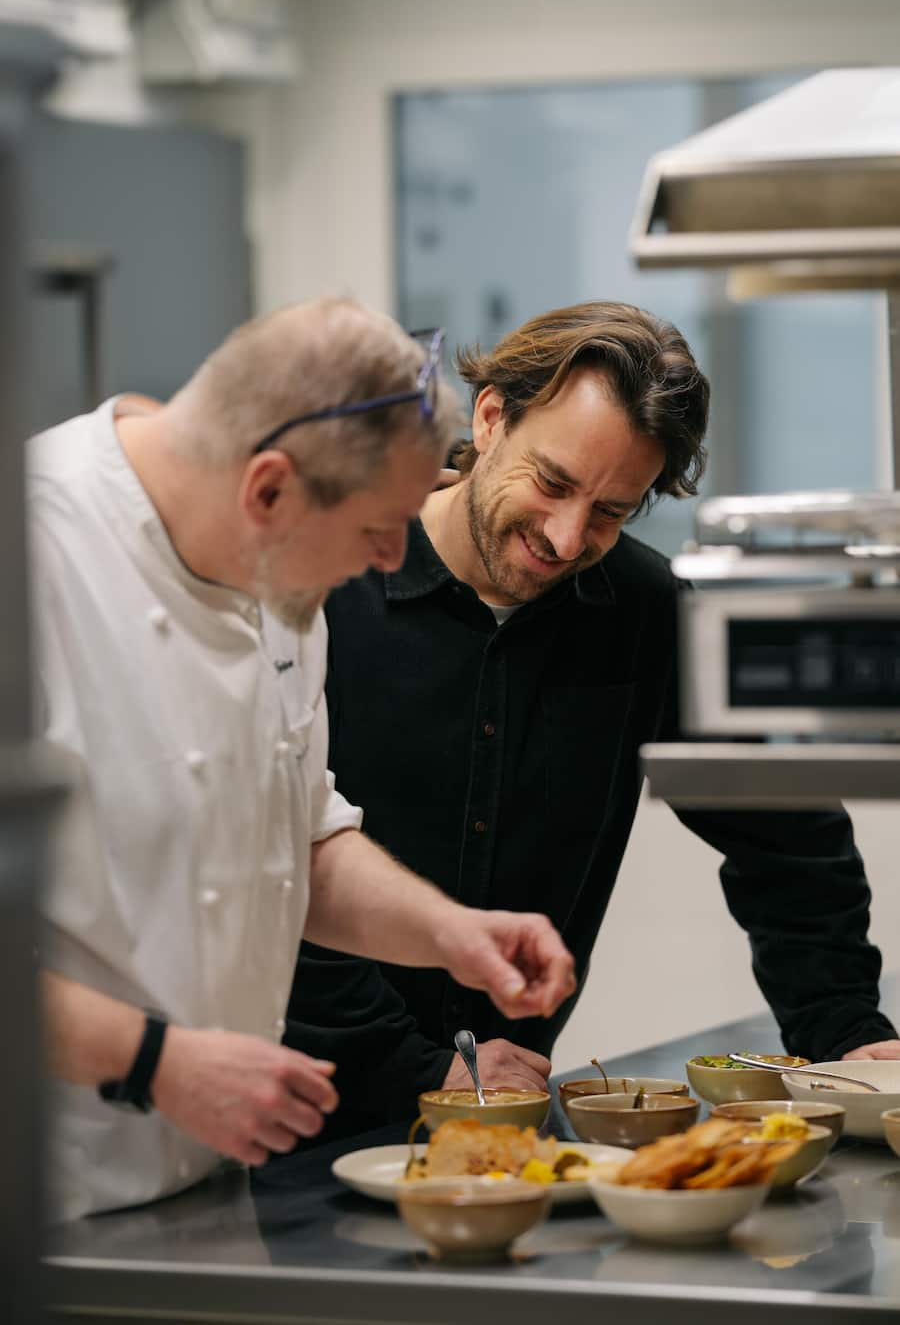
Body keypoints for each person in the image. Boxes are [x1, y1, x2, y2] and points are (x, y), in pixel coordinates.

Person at [284, 300, 899, 1141]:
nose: (568, 539)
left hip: (509, 1118)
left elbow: (783, 834)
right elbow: (279, 865)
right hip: (289, 1114)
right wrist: (421, 1069)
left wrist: (846, 1030)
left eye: (612, 511)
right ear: (492, 416)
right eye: (554, 483)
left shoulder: (640, 609)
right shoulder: (329, 590)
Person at [32, 297, 577, 1222]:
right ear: (271, 488)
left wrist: (449, 932)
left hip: (203, 1194)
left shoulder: (279, 584)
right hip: (38, 1210)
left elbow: (302, 835)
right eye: (378, 529)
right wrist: (152, 1061)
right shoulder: (31, 556)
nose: (390, 558)